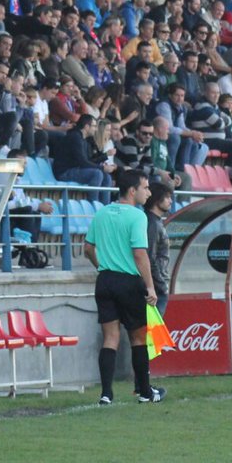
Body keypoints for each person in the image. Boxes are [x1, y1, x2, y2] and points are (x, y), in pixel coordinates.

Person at [84, 169, 164, 406]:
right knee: (138, 338)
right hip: (128, 282)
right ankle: (145, 392)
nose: (149, 192)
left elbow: (88, 248)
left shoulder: (102, 213)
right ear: (133, 190)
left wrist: (102, 267)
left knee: (110, 338)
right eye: (146, 187)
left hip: (105, 280)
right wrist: (150, 287)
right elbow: (139, 254)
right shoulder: (138, 216)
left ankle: (106, 393)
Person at [145, 182, 172, 317]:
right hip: (156, 286)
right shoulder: (153, 225)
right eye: (167, 197)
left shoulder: (155, 222)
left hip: (156, 283)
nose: (170, 201)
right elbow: (150, 257)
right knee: (153, 334)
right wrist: (161, 285)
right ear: (156, 199)